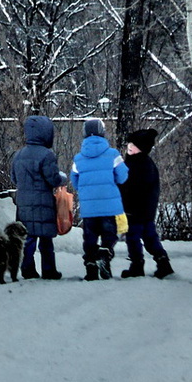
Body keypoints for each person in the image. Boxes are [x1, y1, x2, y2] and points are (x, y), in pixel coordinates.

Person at [71, 118, 129, 281]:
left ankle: (90, 265)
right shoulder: (113, 154)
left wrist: (86, 190)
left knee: (89, 237)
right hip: (109, 206)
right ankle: (105, 253)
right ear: (102, 133)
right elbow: (123, 176)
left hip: (89, 208)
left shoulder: (79, 158)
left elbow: (74, 181)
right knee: (109, 235)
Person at [10, 115, 65, 280]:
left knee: (27, 238)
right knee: (46, 239)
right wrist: (62, 179)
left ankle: (27, 269)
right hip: (43, 202)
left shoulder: (18, 155)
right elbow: (53, 179)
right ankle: (49, 270)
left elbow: (14, 178)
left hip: (23, 203)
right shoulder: (47, 155)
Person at [119, 128, 174, 279]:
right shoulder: (144, 163)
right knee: (150, 238)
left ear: (142, 148)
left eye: (134, 145)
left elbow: (130, 187)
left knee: (133, 238)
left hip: (135, 210)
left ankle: (137, 265)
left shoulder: (138, 165)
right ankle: (163, 262)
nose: (129, 147)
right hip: (146, 210)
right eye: (129, 144)